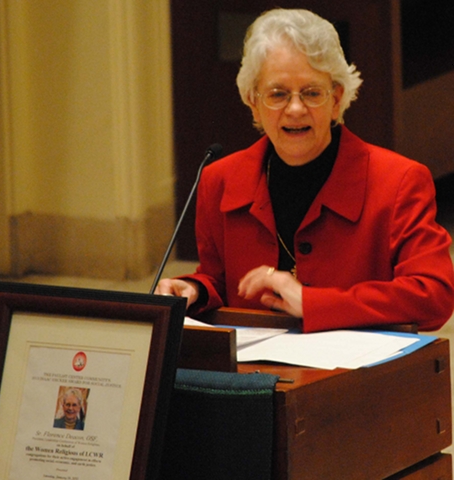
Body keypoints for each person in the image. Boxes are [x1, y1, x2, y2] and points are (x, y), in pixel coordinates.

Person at [156, 8, 454, 332]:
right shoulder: (220, 180)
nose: (296, 109)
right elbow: (218, 280)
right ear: (252, 101)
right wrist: (196, 290)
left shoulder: (399, 181)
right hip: (254, 375)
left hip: (357, 374)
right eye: (278, 94)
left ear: (337, 100)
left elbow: (434, 295)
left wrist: (315, 303)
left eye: (312, 93)